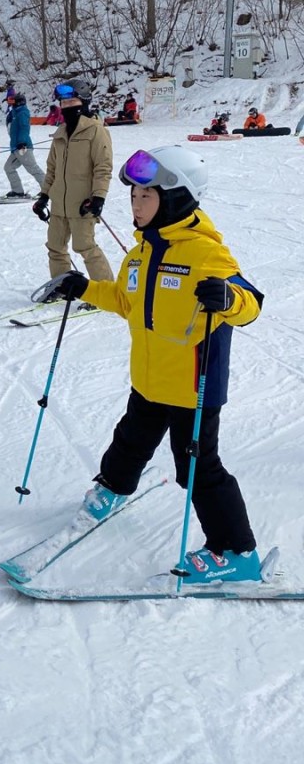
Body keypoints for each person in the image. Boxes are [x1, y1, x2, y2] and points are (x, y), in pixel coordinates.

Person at [47, 145, 265, 584]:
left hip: (192, 387)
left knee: (198, 468)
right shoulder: (141, 252)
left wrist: (228, 298)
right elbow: (126, 301)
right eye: (133, 195)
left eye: (147, 196)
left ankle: (236, 551)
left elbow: (250, 304)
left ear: (176, 197)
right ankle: (113, 488)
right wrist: (84, 288)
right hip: (149, 378)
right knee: (130, 440)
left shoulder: (205, 254)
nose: (136, 204)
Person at [32, 77, 113, 283]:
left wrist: (98, 197)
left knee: (85, 246)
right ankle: (62, 286)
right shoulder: (60, 133)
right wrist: (44, 196)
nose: (67, 106)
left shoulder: (96, 131)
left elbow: (103, 167)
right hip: (59, 203)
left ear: (84, 101)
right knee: (55, 247)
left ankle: (106, 289)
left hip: (82, 204)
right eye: (63, 102)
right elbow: (52, 169)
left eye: (72, 101)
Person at [3, 93, 46, 198]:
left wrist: (22, 142)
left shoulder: (22, 113)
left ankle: (47, 190)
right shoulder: (15, 113)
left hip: (23, 147)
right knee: (9, 167)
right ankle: (18, 191)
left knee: (33, 168)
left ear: (19, 102)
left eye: (13, 101)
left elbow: (24, 128)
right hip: (16, 148)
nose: (11, 104)